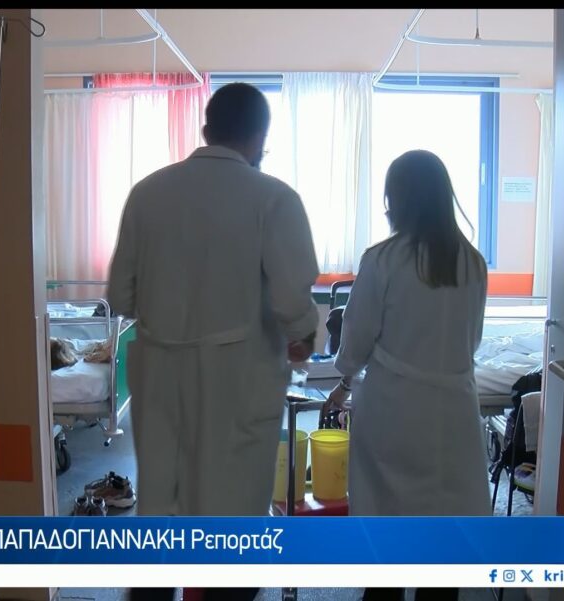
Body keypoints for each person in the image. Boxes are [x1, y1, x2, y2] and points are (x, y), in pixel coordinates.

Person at [108, 83, 320, 601]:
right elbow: (294, 304)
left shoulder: (147, 193)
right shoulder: (274, 198)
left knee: (160, 516)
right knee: (232, 527)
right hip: (237, 383)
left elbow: (120, 297)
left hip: (160, 380)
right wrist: (301, 337)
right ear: (259, 137)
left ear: (206, 129)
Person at [325, 150, 491, 601]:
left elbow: (357, 337)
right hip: (454, 411)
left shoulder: (383, 259)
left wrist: (343, 381)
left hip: (394, 410)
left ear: (396, 199)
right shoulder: (473, 262)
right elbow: (473, 340)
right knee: (444, 542)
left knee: (388, 534)